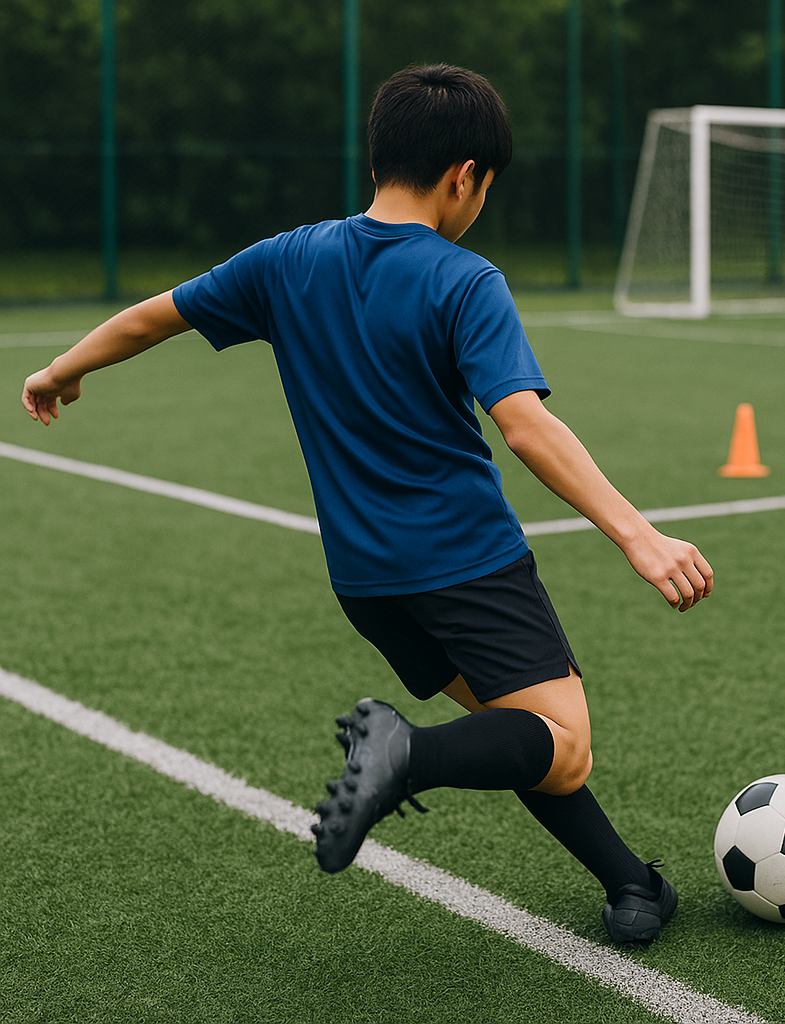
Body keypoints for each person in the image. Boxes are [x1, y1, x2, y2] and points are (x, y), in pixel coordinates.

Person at [21, 64, 712, 949]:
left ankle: (630, 883)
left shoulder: (285, 259)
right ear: (465, 176)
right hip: (466, 562)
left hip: (365, 580)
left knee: (514, 731)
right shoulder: (466, 281)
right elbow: (526, 428)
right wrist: (640, 537)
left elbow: (153, 317)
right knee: (557, 739)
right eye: (486, 189)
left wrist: (60, 369)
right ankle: (405, 755)